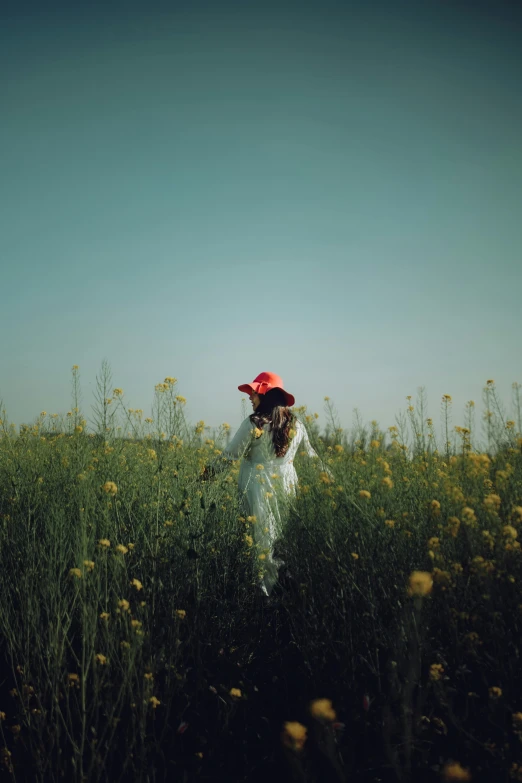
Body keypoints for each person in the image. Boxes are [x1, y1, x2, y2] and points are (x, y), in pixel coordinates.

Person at [203, 371, 328, 598]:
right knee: (282, 541)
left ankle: (263, 598)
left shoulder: (254, 423)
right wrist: (330, 480)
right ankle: (283, 593)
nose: (250, 397)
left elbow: (229, 456)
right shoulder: (297, 425)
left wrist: (203, 476)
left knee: (261, 543)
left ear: (266, 394)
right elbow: (312, 457)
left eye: (254, 392)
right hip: (287, 488)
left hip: (258, 489)